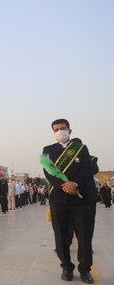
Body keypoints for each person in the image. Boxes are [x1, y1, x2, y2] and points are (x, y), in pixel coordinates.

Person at [42, 119, 94, 283]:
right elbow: (49, 172)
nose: (59, 131)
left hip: (81, 200)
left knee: (84, 235)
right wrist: (64, 185)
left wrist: (75, 184)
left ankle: (85, 269)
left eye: (62, 128)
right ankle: (66, 267)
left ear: (69, 130)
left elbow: (87, 169)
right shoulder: (48, 150)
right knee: (61, 235)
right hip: (59, 199)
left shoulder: (81, 148)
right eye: (56, 129)